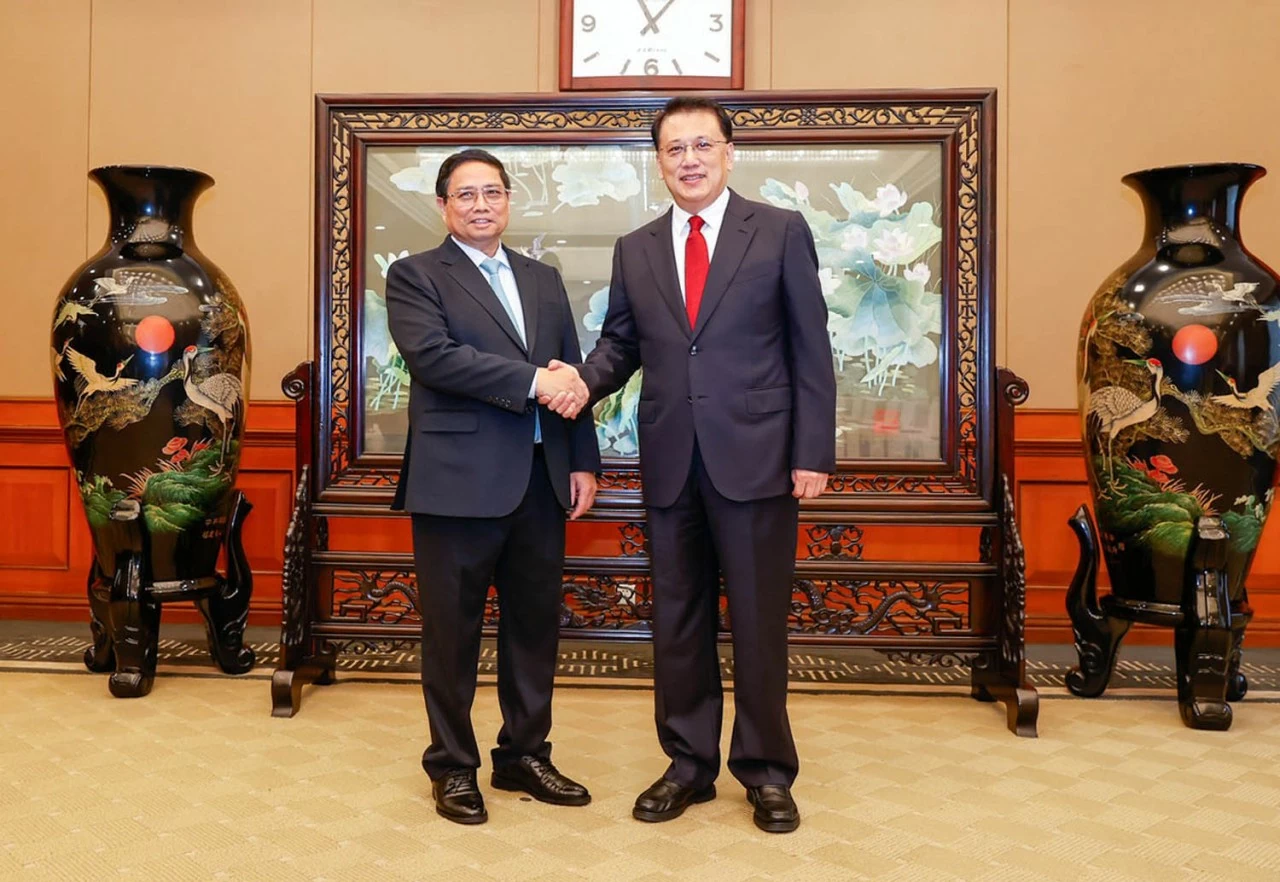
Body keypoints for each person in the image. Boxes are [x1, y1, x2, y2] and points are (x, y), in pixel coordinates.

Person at [545, 96, 836, 833]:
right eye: (674, 149)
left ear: (729, 152)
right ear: (660, 161)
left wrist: (812, 452)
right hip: (672, 461)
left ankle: (767, 772)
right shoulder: (635, 247)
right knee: (677, 620)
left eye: (703, 145)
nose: (690, 160)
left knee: (761, 622)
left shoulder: (777, 231)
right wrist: (580, 379)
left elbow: (811, 347)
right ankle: (687, 765)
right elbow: (621, 345)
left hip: (761, 460)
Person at [385, 148, 598, 825]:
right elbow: (436, 359)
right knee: (452, 634)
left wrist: (582, 460)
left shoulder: (543, 279)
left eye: (492, 193)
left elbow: (570, 377)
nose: (481, 204)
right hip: (455, 484)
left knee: (534, 628)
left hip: (540, 480)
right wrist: (534, 382)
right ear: (443, 205)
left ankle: (524, 755)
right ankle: (452, 766)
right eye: (466, 194)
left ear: (509, 201)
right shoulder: (416, 275)